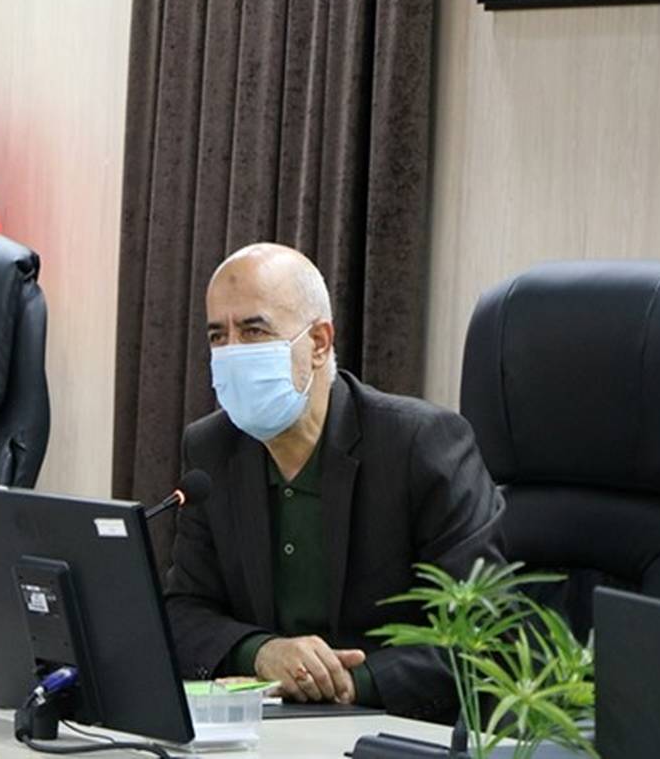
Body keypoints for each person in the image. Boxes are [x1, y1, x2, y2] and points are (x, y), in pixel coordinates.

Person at [166, 243, 505, 723]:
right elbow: (183, 611)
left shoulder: (421, 444)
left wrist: (349, 681)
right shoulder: (211, 448)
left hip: (392, 725)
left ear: (320, 343)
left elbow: (486, 635)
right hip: (265, 732)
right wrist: (261, 652)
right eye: (218, 336)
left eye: (254, 331)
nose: (232, 353)